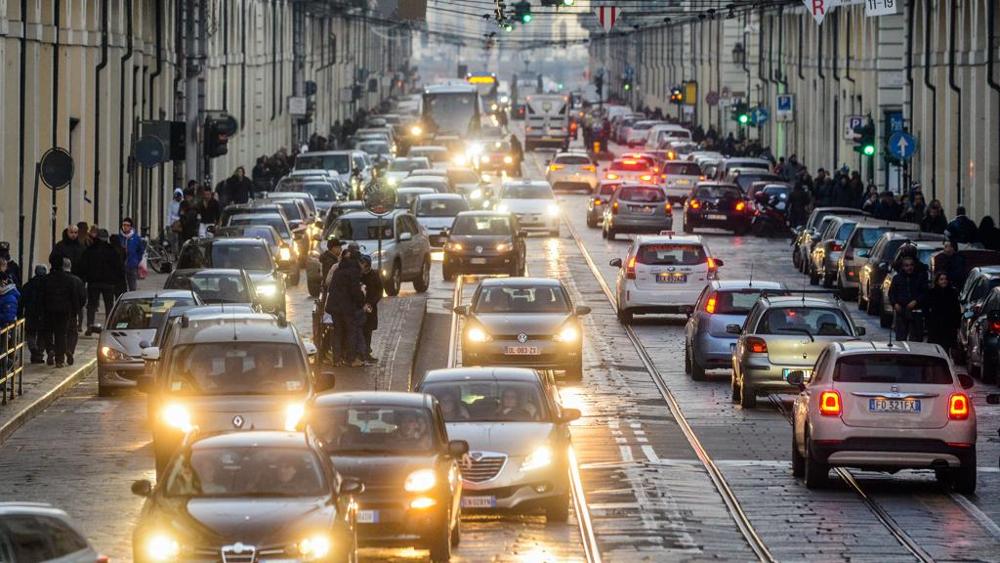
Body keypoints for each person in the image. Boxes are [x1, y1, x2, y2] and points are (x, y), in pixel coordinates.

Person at [325, 251, 365, 367]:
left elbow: (331, 287)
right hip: (347, 308)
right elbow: (355, 291)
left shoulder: (339, 270)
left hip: (334, 306)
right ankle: (350, 359)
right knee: (351, 332)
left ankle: (336, 359)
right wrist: (361, 300)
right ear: (358, 261)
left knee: (337, 331)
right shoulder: (354, 271)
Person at [79, 229, 123, 332]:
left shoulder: (90, 250)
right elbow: (118, 267)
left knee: (91, 305)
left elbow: (84, 266)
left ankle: (90, 326)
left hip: (93, 282)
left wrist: (85, 279)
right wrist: (116, 281)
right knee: (109, 305)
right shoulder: (112, 250)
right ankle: (108, 326)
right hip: (108, 283)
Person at [42, 252, 81, 367]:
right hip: (64, 311)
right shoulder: (69, 280)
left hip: (48, 309)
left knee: (48, 331)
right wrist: (75, 311)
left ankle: (50, 350)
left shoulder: (47, 279)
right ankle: (59, 359)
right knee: (61, 334)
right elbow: (73, 296)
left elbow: (42, 296)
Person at [888, 257, 928, 341]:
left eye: (911, 265)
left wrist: (916, 301)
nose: (909, 267)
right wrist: (895, 304)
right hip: (901, 311)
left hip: (916, 311)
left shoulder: (919, 277)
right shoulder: (897, 278)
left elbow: (924, 292)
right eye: (906, 265)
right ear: (903, 267)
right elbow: (891, 293)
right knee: (900, 338)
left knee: (916, 339)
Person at [923, 272, 961, 352]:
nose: (944, 281)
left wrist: (957, 324)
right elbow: (926, 308)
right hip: (935, 325)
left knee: (946, 347)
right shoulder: (932, 293)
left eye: (945, 279)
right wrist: (928, 321)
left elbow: (957, 309)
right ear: (937, 281)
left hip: (948, 325)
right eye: (941, 279)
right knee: (935, 347)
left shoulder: (952, 293)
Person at [62, 258, 86, 366]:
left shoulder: (57, 279)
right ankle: (70, 350)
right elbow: (83, 297)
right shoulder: (77, 280)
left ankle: (60, 351)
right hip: (72, 312)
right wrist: (77, 309)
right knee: (72, 333)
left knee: (61, 333)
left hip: (58, 311)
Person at [359, 255, 382, 364]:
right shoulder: (359, 276)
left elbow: (379, 291)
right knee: (361, 330)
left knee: (368, 330)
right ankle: (362, 353)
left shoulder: (374, 275)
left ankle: (367, 352)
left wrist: (372, 303)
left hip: (371, 308)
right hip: (360, 307)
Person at [120, 217, 145, 292]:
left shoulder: (136, 238)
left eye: (127, 225)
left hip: (132, 264)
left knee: (132, 286)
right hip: (121, 265)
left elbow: (140, 250)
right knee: (121, 286)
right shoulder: (120, 237)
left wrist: (136, 260)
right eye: (124, 225)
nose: (125, 227)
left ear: (131, 227)